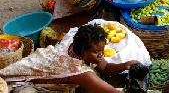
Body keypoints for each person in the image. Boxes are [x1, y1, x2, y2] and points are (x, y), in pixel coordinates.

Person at [0, 24, 141, 92]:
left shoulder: (78, 46)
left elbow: (105, 68)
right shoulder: (78, 71)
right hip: (20, 82)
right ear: (82, 50)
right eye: (96, 52)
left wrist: (125, 65)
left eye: (102, 50)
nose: (101, 55)